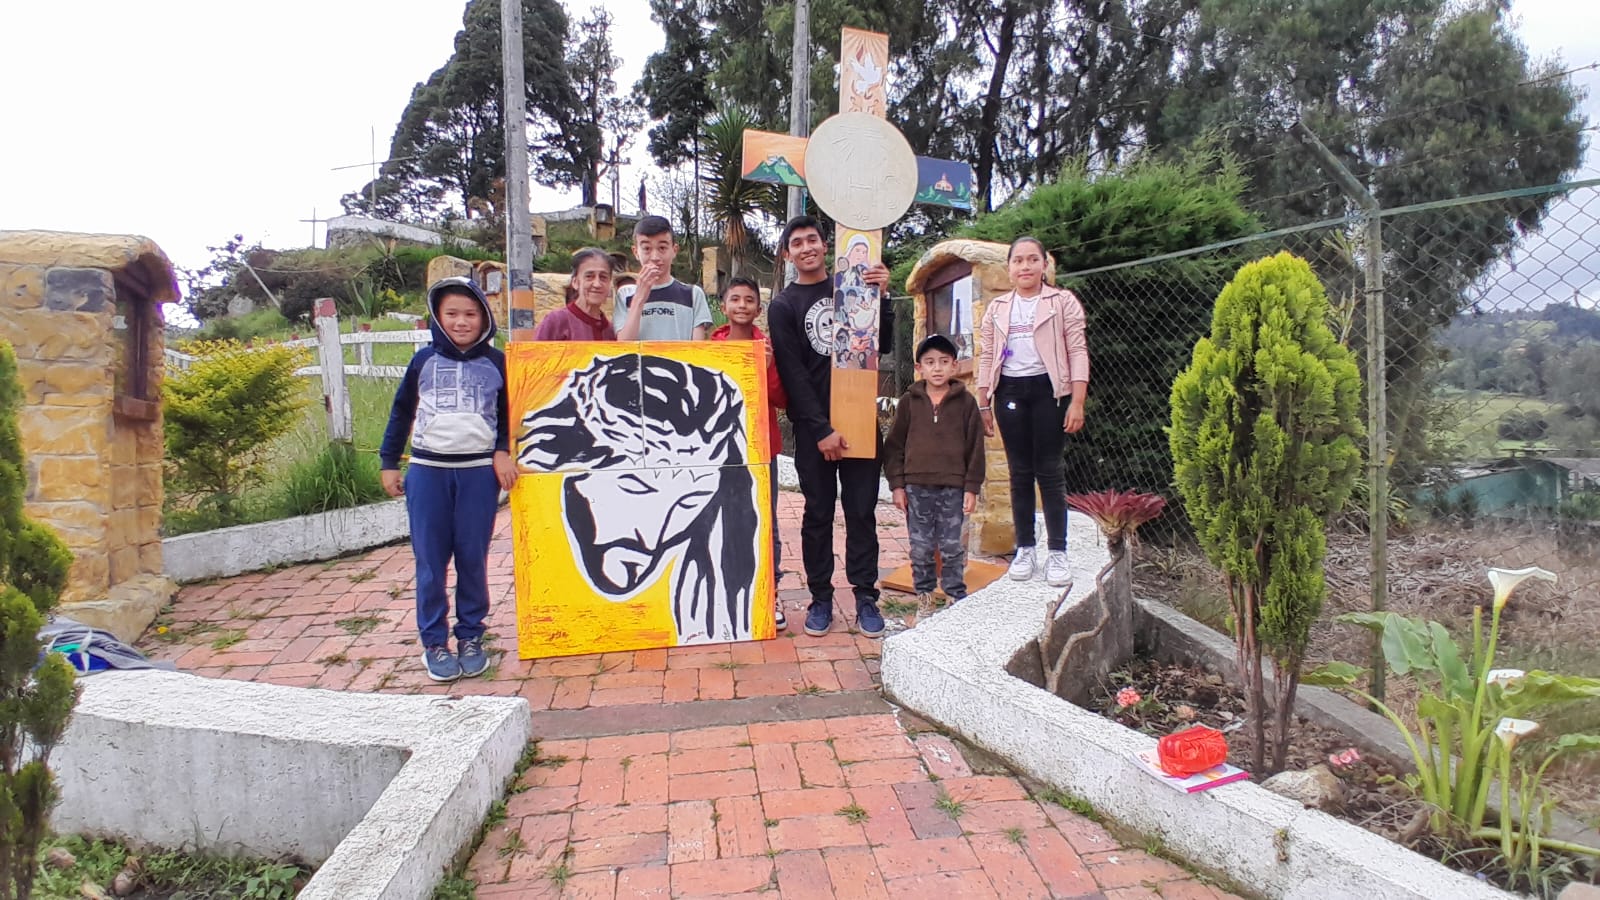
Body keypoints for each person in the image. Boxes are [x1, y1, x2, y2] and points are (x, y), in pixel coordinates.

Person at [380, 277, 516, 682]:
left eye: (471, 314)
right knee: (431, 562)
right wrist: (390, 461)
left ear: (485, 318)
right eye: (452, 314)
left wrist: (502, 450)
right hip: (428, 473)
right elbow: (401, 412)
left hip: (478, 475)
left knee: (473, 558)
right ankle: (434, 643)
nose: (461, 322)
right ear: (438, 318)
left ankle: (471, 636)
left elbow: (509, 413)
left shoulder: (496, 363)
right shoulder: (423, 362)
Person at [767, 215, 892, 638]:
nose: (806, 247)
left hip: (858, 420)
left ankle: (865, 597)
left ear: (825, 246)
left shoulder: (851, 287)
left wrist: (882, 297)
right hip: (812, 431)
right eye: (797, 242)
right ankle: (821, 598)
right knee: (817, 514)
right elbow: (793, 373)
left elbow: (882, 345)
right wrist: (820, 430)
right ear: (788, 254)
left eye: (813, 240)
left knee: (861, 513)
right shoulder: (783, 306)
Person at [975, 236, 1090, 588]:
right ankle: (1025, 548)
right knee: (1019, 472)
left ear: (1044, 265)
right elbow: (987, 355)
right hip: (1010, 392)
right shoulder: (998, 309)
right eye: (1018, 261)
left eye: (1032, 260)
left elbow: (1078, 351)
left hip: (1049, 392)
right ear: (1009, 269)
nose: (1025, 267)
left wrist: (1078, 401)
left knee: (1050, 472)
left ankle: (1058, 552)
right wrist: (983, 401)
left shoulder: (1062, 302)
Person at [884, 334, 985, 618]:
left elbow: (976, 448)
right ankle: (925, 598)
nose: (937, 368)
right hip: (916, 489)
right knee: (921, 548)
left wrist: (971, 488)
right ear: (919, 368)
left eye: (943, 362)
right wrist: (897, 485)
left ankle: (955, 598)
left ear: (954, 366)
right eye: (930, 362)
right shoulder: (909, 402)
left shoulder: (966, 403)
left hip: (954, 488)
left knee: (952, 547)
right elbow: (894, 446)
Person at [710, 277, 790, 630]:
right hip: (718, 450)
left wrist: (769, 367)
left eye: (749, 300)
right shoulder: (711, 346)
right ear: (724, 306)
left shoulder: (769, 347)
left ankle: (769, 593)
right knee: (719, 521)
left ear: (759, 309)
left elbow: (781, 400)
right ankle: (720, 595)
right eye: (735, 299)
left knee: (764, 521)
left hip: (761, 449)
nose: (742, 305)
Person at [615, 215, 714, 341]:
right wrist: (639, 298)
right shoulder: (624, 294)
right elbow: (623, 345)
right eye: (646, 248)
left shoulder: (692, 294)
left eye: (662, 248)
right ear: (636, 252)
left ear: (674, 250)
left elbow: (697, 349)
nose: (655, 257)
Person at [534, 248, 617, 341]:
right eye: (589, 276)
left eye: (603, 277)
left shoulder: (611, 331)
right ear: (575, 282)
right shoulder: (556, 321)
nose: (597, 284)